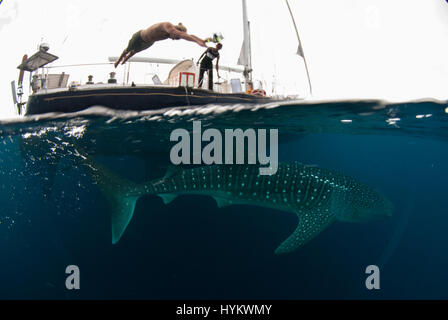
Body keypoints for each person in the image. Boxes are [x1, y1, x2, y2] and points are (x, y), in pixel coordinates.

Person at [114, 22, 207, 68]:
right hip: (140, 36)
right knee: (128, 50)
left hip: (149, 42)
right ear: (175, 30)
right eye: (175, 37)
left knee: (134, 52)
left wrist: (200, 40)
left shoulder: (173, 32)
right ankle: (118, 60)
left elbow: (187, 35)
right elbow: (181, 34)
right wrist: (197, 42)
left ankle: (125, 59)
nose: (173, 39)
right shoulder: (168, 26)